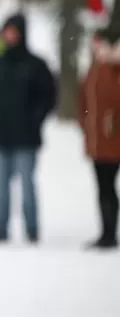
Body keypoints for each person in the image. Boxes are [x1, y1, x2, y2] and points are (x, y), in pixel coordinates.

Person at [0, 13, 56, 244]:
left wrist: (35, 119)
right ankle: (1, 228)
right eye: (7, 31)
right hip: (1, 135)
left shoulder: (35, 64)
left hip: (26, 137)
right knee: (1, 187)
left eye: (14, 31)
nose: (9, 35)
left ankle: (32, 228)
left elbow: (49, 96)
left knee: (27, 185)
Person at [79, 28, 120, 249]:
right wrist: (85, 124)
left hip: (113, 140)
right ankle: (106, 232)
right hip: (97, 141)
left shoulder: (113, 69)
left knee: (108, 187)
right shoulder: (94, 70)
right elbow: (84, 100)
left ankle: (110, 233)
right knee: (104, 187)